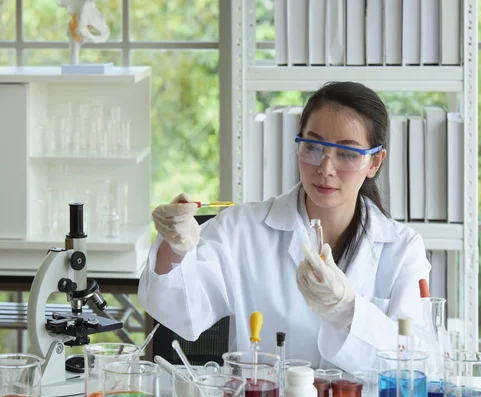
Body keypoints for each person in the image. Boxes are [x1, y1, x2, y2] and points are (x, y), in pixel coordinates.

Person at [138, 81, 431, 372]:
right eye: (313, 147)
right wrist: (173, 245)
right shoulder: (242, 229)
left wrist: (347, 309)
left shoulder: (403, 249)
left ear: (374, 163)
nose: (325, 168)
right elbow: (181, 311)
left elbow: (418, 365)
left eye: (347, 154)